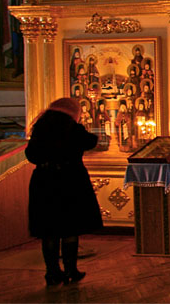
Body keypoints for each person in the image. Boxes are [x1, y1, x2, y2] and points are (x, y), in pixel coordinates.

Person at [25, 98, 102, 286]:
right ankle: (71, 270)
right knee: (70, 228)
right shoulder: (72, 129)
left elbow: (31, 154)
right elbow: (91, 142)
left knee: (49, 230)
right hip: (70, 181)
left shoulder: (41, 128)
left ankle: (52, 272)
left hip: (44, 182)